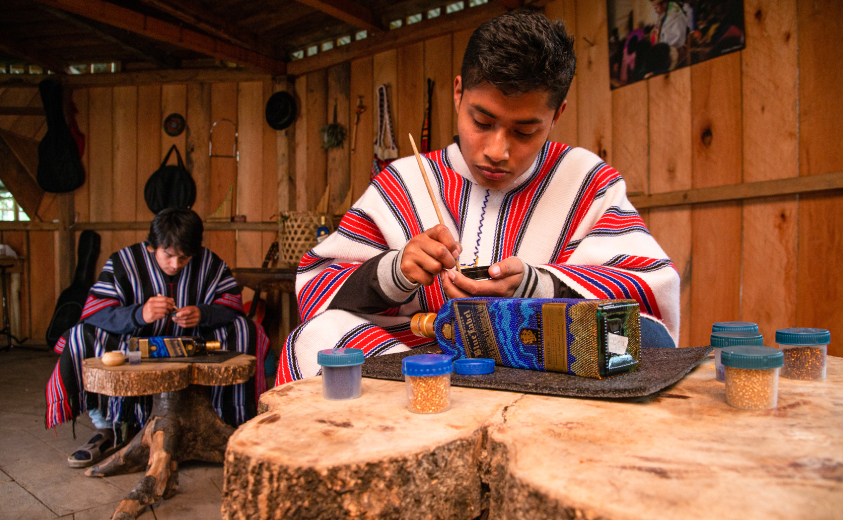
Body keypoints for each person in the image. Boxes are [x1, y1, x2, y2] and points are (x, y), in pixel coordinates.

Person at [277, 11, 680, 385]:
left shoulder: (586, 181)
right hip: (412, 362)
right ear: (458, 93)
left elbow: (647, 301)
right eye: (481, 121)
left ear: (556, 115)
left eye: (524, 131)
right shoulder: (403, 180)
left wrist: (535, 286)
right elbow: (320, 287)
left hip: (540, 370)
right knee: (316, 338)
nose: (497, 150)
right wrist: (395, 271)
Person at [46, 208, 269, 468]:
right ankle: (105, 428)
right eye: (169, 255)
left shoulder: (209, 263)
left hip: (191, 342)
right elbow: (96, 312)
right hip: (134, 344)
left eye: (184, 258)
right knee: (79, 336)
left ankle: (228, 419)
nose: (175, 265)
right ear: (152, 247)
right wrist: (139, 314)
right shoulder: (123, 262)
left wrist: (203, 314)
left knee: (247, 330)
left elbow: (231, 308)